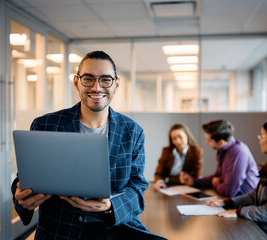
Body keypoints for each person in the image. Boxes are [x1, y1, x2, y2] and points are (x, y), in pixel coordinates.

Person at [11, 51, 165, 240]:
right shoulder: (46, 125)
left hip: (114, 226)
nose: (96, 87)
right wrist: (22, 198)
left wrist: (110, 206)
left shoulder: (132, 132)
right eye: (88, 79)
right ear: (76, 82)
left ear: (116, 84)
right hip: (61, 230)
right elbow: (25, 179)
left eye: (105, 80)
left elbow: (137, 186)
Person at [206, 119, 267, 239]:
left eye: (262, 135)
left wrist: (238, 211)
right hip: (263, 225)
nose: (259, 140)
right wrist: (228, 202)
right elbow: (254, 195)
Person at [180, 119, 259, 197]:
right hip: (230, 199)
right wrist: (194, 182)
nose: (206, 142)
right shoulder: (222, 151)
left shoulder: (238, 152)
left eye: (209, 140)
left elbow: (229, 191)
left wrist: (215, 183)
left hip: (244, 202)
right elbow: (217, 176)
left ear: (221, 142)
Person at [153, 123, 203, 191]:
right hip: (168, 188)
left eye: (180, 137)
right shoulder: (166, 151)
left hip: (188, 188)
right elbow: (158, 174)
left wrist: (168, 179)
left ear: (187, 136)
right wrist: (159, 182)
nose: (178, 141)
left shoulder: (196, 151)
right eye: (174, 138)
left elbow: (195, 176)